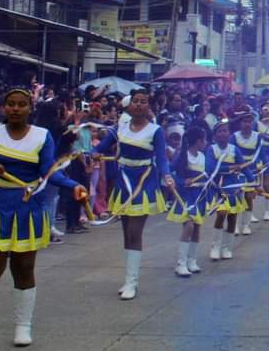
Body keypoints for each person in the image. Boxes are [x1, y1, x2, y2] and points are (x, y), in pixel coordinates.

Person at [0, 87, 86, 351]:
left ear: (30, 108)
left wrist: (73, 185)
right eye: (11, 104)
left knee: (24, 267)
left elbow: (49, 171)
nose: (15, 108)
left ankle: (23, 326)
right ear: (4, 107)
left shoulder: (42, 136)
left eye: (21, 104)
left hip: (27, 207)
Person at [93, 88, 173, 301]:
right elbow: (101, 147)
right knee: (126, 232)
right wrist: (91, 154)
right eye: (135, 101)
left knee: (135, 232)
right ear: (129, 105)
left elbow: (161, 158)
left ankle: (132, 282)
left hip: (144, 181)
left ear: (149, 105)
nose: (138, 104)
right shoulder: (119, 128)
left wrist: (167, 175)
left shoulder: (155, 130)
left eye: (143, 101)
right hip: (123, 180)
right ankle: (128, 278)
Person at [167, 125, 213, 277]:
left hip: (199, 196)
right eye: (204, 139)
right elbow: (169, 172)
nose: (206, 142)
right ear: (198, 141)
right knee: (189, 226)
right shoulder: (182, 155)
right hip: (186, 196)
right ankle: (181, 263)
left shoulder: (203, 156)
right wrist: (182, 181)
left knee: (197, 228)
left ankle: (192, 261)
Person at [208, 120, 246, 261]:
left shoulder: (234, 149)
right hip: (217, 187)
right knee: (221, 213)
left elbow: (243, 166)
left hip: (233, 186)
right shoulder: (211, 149)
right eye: (220, 131)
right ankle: (215, 247)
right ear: (215, 135)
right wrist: (231, 167)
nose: (223, 133)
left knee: (232, 216)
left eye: (225, 131)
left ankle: (227, 248)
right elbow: (210, 168)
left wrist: (254, 183)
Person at [232, 109, 261, 232]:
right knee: (237, 197)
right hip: (238, 170)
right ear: (241, 123)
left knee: (249, 197)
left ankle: (246, 225)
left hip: (252, 170)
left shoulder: (257, 136)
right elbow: (231, 153)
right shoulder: (234, 136)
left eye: (249, 121)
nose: (247, 124)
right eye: (245, 121)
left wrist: (266, 169)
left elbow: (260, 154)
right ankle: (235, 225)